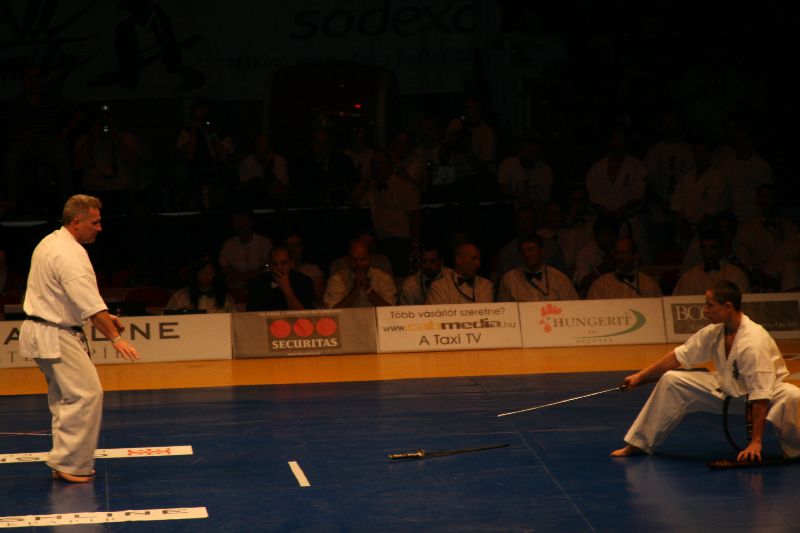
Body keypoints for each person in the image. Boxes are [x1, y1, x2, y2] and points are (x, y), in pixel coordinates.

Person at [19, 194, 140, 483]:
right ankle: (70, 463)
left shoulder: (51, 242)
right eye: (94, 223)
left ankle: (64, 460)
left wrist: (104, 318)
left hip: (48, 328)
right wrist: (115, 338)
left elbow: (64, 296)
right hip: (55, 333)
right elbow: (89, 302)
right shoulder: (69, 253)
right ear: (77, 222)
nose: (99, 228)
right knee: (86, 394)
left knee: (66, 397)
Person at [611, 281, 800, 462]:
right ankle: (640, 442)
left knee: (791, 395)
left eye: (710, 305)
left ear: (728, 307)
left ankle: (794, 450)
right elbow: (678, 356)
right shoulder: (715, 332)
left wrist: (756, 442)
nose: (705, 311)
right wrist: (640, 376)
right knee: (672, 380)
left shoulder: (754, 342)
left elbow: (760, 394)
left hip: (763, 395)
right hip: (728, 388)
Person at [497, 234, 578, 302]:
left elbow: (573, 307)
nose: (527, 254)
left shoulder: (560, 279)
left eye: (531, 250)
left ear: (542, 251)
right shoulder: (509, 280)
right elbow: (504, 311)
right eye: (523, 252)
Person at [672, 227, 750, 296]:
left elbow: (745, 305)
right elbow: (677, 302)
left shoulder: (736, 276)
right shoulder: (689, 277)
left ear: (722, 247)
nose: (707, 252)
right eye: (704, 248)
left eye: (713, 248)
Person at [323, 239, 396, 308]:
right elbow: (333, 313)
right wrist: (355, 291)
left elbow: (390, 311)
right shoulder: (337, 280)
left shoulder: (384, 279)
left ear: (371, 259)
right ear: (348, 260)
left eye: (363, 259)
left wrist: (368, 290)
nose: (359, 264)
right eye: (354, 260)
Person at [218, 208, 273, 294]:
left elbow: (269, 266)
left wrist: (258, 273)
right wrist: (238, 275)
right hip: (235, 289)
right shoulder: (228, 244)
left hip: (261, 288)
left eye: (242, 219)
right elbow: (223, 267)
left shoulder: (264, 242)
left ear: (251, 222)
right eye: (236, 220)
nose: (238, 223)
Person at [587, 238, 662, 299]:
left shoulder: (648, 285)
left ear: (635, 255)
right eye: (617, 253)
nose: (619, 257)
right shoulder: (600, 285)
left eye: (624, 253)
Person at [246, 245, 314, 311]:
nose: (279, 268)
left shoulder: (304, 282)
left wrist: (288, 291)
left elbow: (306, 316)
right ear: (269, 265)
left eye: (284, 263)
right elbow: (252, 315)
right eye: (275, 264)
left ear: (291, 263)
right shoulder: (257, 284)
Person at [164, 255, 236, 313]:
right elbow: (167, 315)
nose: (207, 277)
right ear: (196, 274)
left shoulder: (225, 297)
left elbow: (235, 318)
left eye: (211, 273)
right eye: (203, 273)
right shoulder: (181, 296)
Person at [426, 243, 493, 304]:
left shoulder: (485, 285)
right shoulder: (439, 287)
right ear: (459, 260)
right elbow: (441, 312)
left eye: (479, 259)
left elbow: (485, 311)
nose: (478, 264)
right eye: (474, 258)